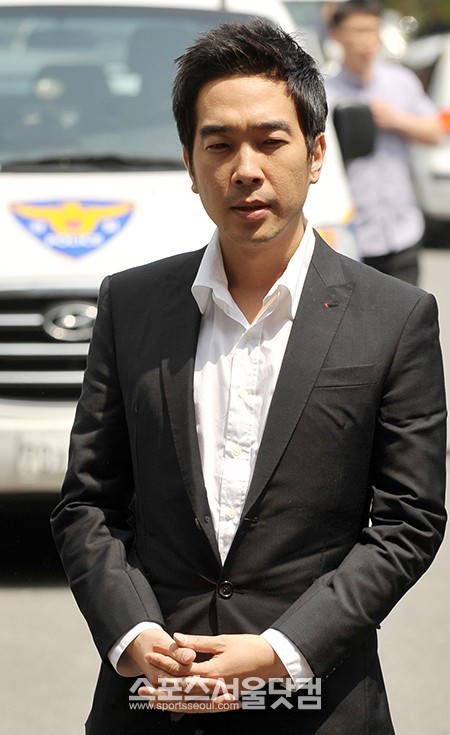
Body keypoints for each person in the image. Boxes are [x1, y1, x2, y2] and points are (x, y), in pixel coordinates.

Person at [50, 18, 447, 735]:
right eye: (219, 144)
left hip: (319, 703)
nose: (245, 168)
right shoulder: (131, 305)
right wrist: (133, 635)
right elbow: (88, 503)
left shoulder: (395, 317)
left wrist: (281, 651)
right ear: (189, 161)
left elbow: (407, 522)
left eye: (270, 140)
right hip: (155, 702)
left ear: (316, 153)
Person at [325, 0, 443, 285]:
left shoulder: (401, 82)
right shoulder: (325, 92)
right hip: (353, 238)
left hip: (403, 231)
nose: (367, 39)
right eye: (358, 30)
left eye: (372, 29)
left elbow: (436, 132)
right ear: (336, 35)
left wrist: (397, 120)